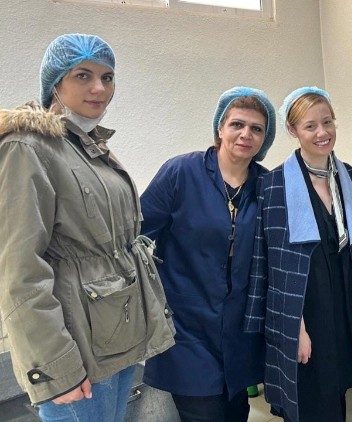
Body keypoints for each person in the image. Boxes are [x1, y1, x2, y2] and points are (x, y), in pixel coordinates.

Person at [0, 34, 175, 422]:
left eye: (107, 77)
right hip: (75, 354)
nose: (99, 88)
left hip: (113, 342)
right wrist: (55, 368)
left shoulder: (88, 146)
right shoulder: (27, 148)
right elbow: (20, 271)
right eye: (83, 75)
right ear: (55, 83)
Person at [243, 87, 352, 422]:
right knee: (313, 399)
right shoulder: (274, 186)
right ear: (293, 131)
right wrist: (294, 327)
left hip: (345, 305)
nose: (322, 132)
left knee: (343, 389)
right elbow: (274, 265)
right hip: (305, 310)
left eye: (328, 122)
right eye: (310, 126)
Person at [139, 87, 275, 421]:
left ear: (265, 139)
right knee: (205, 413)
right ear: (220, 128)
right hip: (187, 328)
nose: (246, 134)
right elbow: (136, 236)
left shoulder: (268, 185)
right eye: (237, 125)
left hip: (240, 331)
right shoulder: (181, 172)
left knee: (236, 411)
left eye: (257, 129)